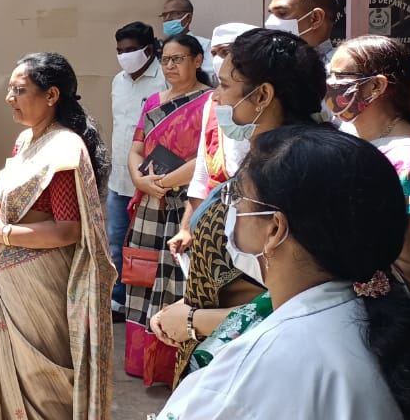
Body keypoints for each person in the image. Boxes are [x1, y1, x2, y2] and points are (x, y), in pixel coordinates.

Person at [156, 126, 410, 419]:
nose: (230, 213)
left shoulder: (258, 367)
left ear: (275, 229)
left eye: (237, 199)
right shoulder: (386, 328)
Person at [0, 52, 114, 420]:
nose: (10, 98)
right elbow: (13, 207)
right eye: (9, 89)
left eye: (19, 90)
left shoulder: (64, 149)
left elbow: (68, 230)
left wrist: (4, 234)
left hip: (41, 285)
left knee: (41, 384)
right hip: (8, 278)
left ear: (51, 95)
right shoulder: (25, 141)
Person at [151, 29, 326, 385]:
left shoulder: (292, 173)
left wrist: (194, 321)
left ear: (262, 95)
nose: (215, 96)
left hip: (260, 364)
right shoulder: (262, 161)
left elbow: (300, 298)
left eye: (225, 85)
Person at [329, 35, 410, 325]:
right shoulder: (362, 140)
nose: (330, 84)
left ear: (376, 86)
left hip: (393, 324)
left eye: (340, 76)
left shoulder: (406, 161)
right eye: (329, 74)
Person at [123, 34, 211, 385]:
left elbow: (207, 156)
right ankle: (140, 360)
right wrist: (139, 179)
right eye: (165, 60)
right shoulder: (152, 101)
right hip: (149, 201)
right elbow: (136, 148)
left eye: (178, 59)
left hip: (186, 203)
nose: (170, 66)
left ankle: (172, 365)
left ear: (197, 61)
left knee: (178, 278)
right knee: (142, 276)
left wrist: (165, 181)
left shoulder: (209, 101)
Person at [177, 23, 257, 247]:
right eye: (215, 53)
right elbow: (202, 171)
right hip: (214, 217)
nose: (220, 59)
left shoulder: (264, 104)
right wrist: (188, 227)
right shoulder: (212, 104)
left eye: (226, 51)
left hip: (253, 219)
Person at [108, 22, 166, 321]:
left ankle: (151, 302)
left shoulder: (165, 79)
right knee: (116, 243)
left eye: (131, 50)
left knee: (150, 245)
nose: (124, 56)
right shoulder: (118, 81)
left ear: (149, 49)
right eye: (120, 51)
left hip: (152, 178)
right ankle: (119, 299)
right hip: (119, 178)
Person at [265, 0, 340, 65]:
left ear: (316, 18)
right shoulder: (268, 63)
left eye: (282, 13)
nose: (270, 22)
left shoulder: (339, 68)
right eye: (271, 13)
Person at [158, 0, 214, 80]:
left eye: (174, 14)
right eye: (164, 15)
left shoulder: (205, 45)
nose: (168, 18)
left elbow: (211, 77)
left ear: (188, 17)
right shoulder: (160, 47)